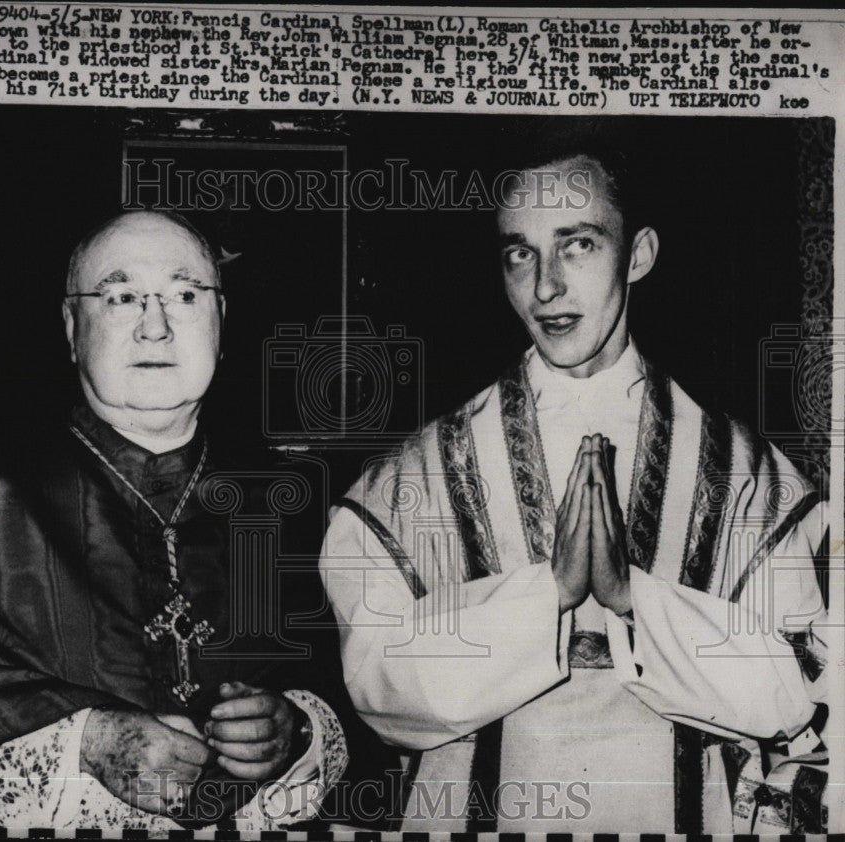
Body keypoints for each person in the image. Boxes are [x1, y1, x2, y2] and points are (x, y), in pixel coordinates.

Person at [319, 139, 829, 833]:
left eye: (577, 244)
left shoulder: (747, 478)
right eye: (519, 253)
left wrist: (633, 600)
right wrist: (545, 597)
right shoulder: (416, 478)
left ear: (639, 254)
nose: (545, 287)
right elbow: (377, 695)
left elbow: (797, 693)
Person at [0, 211, 350, 830]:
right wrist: (85, 741)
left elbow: (353, 688)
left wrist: (291, 727)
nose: (156, 327)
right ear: (72, 327)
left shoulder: (284, 509)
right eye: (120, 298)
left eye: (186, 296)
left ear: (223, 323)